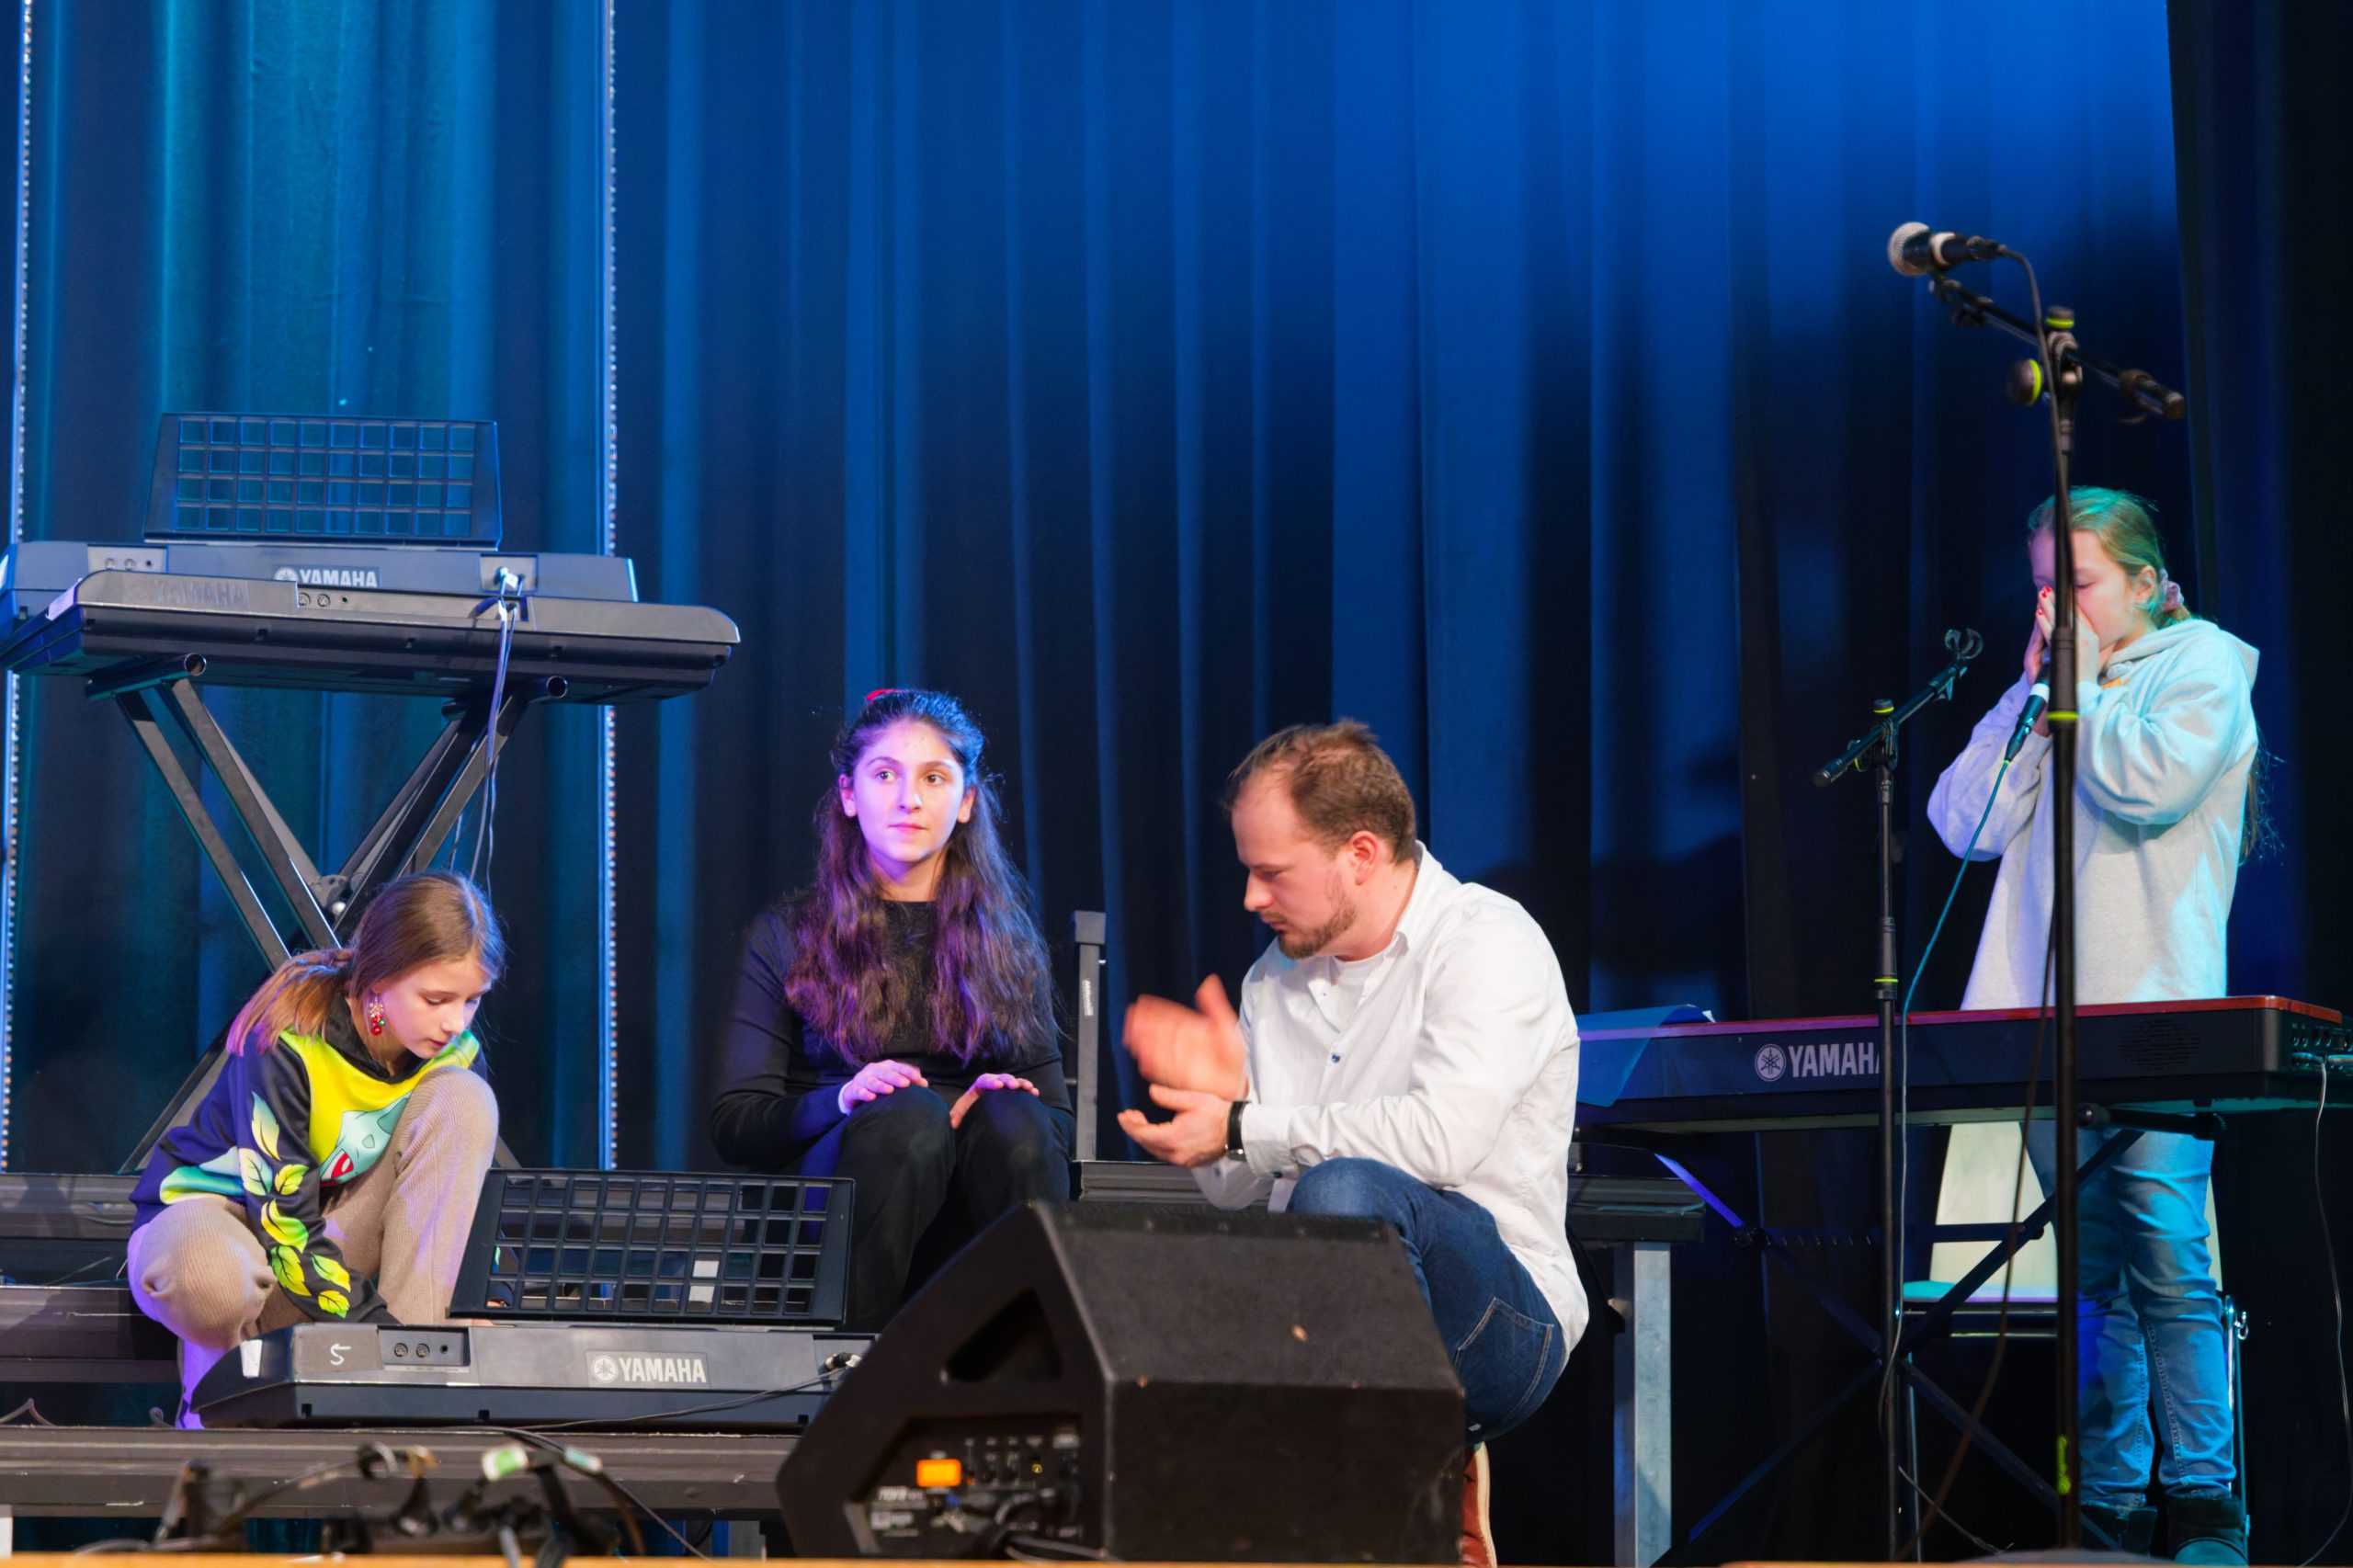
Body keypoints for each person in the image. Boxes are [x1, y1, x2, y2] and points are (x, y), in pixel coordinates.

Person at [1120, 721, 1583, 1568]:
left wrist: (1244, 1124)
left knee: (1345, 1191)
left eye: (1272, 872)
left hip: (1498, 1319)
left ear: (1360, 854)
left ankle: (1404, 1498)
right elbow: (1244, 1190)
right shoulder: (1273, 979)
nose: (1251, 898)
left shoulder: (1486, 941)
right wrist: (1220, 1115)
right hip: (1317, 1320)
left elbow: (1440, 1141)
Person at [1928, 488, 2260, 1565]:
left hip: (2155, 1015)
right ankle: (2109, 1510)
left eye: (2076, 583)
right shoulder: (2050, 686)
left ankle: (2205, 1506)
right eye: (2042, 586)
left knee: (2170, 1261)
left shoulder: (2203, 667)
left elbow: (2147, 786)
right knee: (2090, 1275)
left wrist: (2076, 692)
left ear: (2145, 584)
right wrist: (2032, 703)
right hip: (2040, 1024)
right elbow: (1962, 822)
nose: (2054, 607)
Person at [711, 688, 1071, 1329]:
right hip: (838, 1202)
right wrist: (844, 1099)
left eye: (933, 778)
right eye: (885, 775)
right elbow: (737, 1124)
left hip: (966, 1199)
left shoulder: (1008, 941)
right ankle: (848, 1357)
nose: (909, 799)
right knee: (906, 1117)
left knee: (1017, 1120)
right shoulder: (787, 934)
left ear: (965, 802)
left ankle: (1022, 1354)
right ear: (850, 795)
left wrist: (988, 1104)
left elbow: (1059, 1127)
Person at [128, 869, 504, 1425]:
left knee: (466, 1098)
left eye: (472, 1000)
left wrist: (472, 1300)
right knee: (210, 1282)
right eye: (435, 998)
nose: (455, 1022)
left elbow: (458, 1201)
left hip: (332, 1238)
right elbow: (283, 1220)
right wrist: (384, 1338)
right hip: (224, 1218)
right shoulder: (291, 1033)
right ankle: (216, 1406)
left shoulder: (453, 1054)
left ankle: (414, 1399)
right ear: (379, 977)